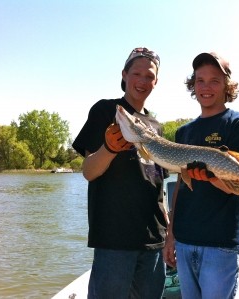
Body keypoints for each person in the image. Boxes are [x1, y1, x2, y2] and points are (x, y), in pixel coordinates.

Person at [72, 47, 168, 299]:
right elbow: (89, 171)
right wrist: (109, 148)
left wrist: (170, 234)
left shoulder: (156, 126)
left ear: (156, 82)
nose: (142, 81)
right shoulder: (106, 111)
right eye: (137, 73)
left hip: (154, 240)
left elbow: (160, 188)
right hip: (114, 239)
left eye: (149, 76)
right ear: (124, 75)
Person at [163, 52, 239, 299]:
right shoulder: (184, 132)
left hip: (221, 245)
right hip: (184, 241)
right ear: (193, 85)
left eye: (214, 80)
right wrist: (171, 236)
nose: (206, 87)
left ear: (227, 85)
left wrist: (212, 177)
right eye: (200, 80)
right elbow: (180, 189)